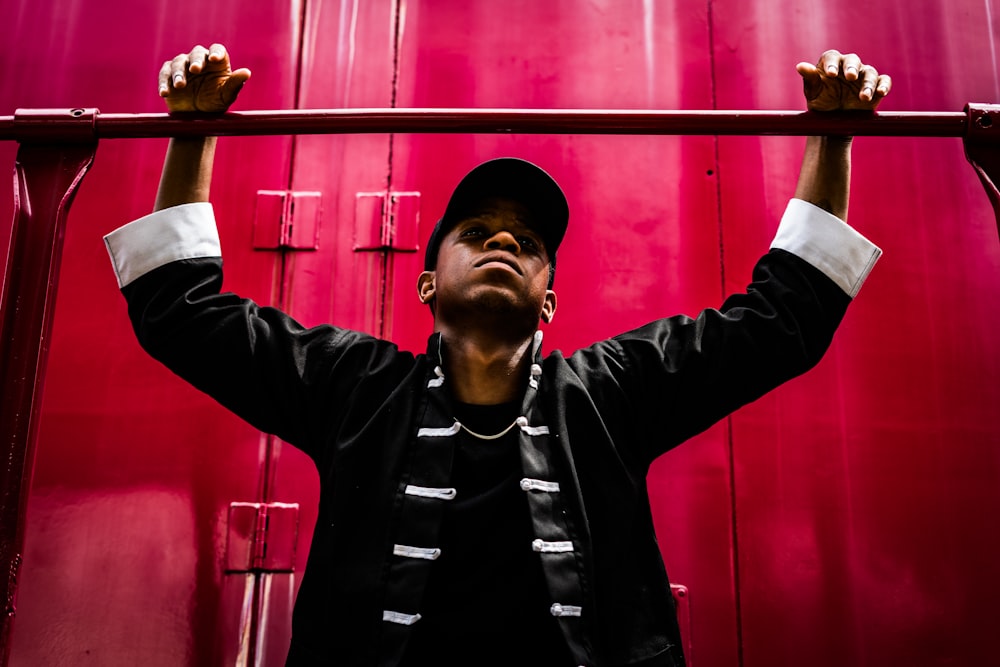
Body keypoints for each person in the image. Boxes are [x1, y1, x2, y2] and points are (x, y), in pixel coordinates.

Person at [104, 44, 890, 667]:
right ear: (425, 283)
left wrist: (834, 136)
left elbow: (781, 321)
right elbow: (182, 313)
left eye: (529, 242)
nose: (504, 240)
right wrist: (193, 132)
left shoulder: (611, 394)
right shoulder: (352, 387)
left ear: (548, 302)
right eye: (476, 233)